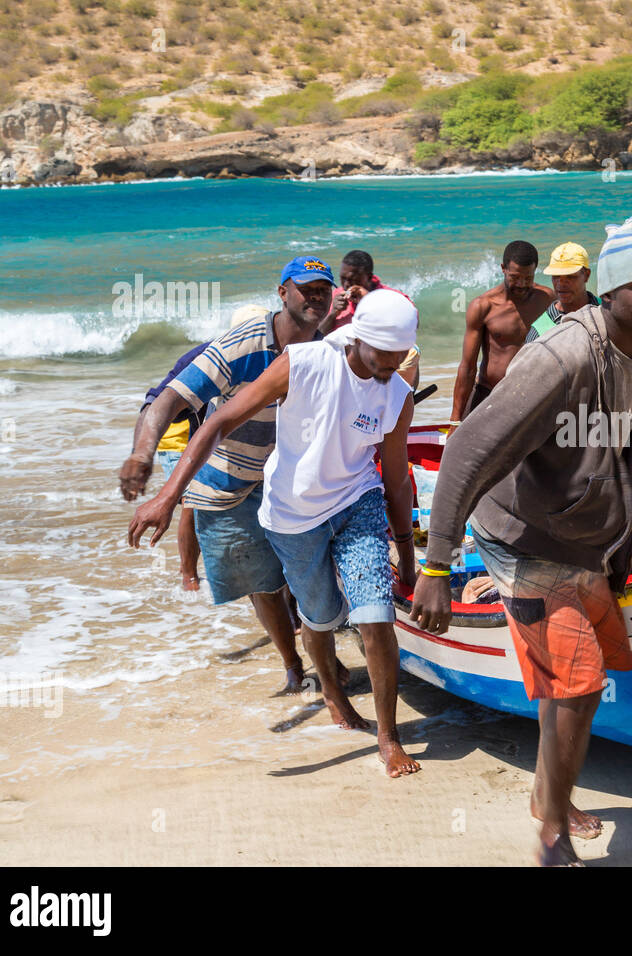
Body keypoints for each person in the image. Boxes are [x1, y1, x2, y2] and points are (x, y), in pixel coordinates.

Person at [412, 216, 632, 865]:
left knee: (588, 680)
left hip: (582, 543)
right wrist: (437, 565)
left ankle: (544, 798)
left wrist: (618, 559)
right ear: (608, 291)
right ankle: (552, 837)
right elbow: (468, 448)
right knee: (578, 683)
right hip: (519, 537)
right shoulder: (563, 356)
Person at [129, 289, 424, 776]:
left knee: (375, 615)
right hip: (292, 513)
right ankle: (330, 690)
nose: (392, 366)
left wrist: (410, 560)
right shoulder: (304, 363)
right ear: (358, 339)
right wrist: (167, 495)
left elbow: (394, 478)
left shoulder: (396, 394)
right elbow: (220, 420)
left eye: (401, 357)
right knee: (322, 618)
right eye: (384, 356)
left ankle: (388, 738)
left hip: (357, 500)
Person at [120, 256, 340, 693]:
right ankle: (293, 662)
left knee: (308, 577)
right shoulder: (244, 345)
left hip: (293, 479)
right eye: (305, 288)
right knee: (263, 583)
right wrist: (143, 457)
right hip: (230, 483)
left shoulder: (328, 344)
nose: (315, 296)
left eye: (323, 289)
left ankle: (326, 665)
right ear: (283, 293)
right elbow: (167, 400)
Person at [122, 340, 210, 591]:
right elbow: (154, 403)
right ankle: (189, 574)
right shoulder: (210, 357)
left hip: (201, 445)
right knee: (192, 504)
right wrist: (139, 456)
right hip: (175, 444)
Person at [449, 240, 555, 427]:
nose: (522, 284)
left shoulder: (546, 300)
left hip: (531, 396)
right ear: (503, 269)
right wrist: (455, 420)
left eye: (528, 278)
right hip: (489, 394)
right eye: (515, 277)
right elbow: (467, 367)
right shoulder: (483, 306)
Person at [322, 249, 420, 388]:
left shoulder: (392, 297)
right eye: (343, 279)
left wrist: (369, 301)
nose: (346, 284)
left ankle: (403, 397)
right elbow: (317, 337)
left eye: (353, 279)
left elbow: (412, 325)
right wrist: (333, 313)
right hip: (344, 370)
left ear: (368, 277)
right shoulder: (335, 297)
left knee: (413, 351)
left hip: (384, 365)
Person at [524, 242, 599, 343]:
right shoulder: (540, 333)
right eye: (556, 276)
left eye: (570, 276)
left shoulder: (605, 310)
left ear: (586, 275)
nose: (561, 283)